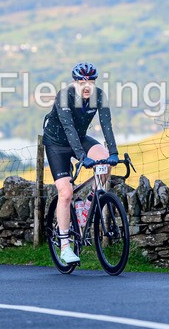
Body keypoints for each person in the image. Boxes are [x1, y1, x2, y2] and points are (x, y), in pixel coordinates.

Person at [42, 62, 119, 264]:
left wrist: (113, 152)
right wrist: (82, 157)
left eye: (91, 81)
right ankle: (65, 246)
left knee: (104, 158)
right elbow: (68, 128)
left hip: (80, 137)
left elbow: (106, 125)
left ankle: (88, 204)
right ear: (74, 82)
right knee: (66, 193)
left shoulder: (99, 96)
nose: (87, 86)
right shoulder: (64, 96)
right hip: (57, 143)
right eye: (82, 81)